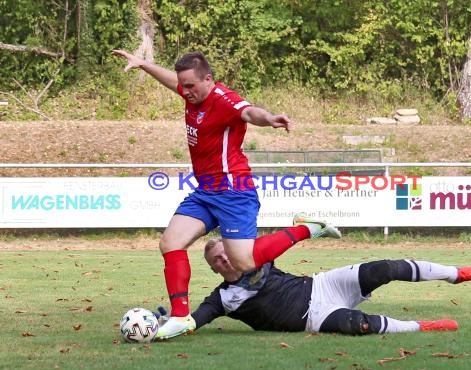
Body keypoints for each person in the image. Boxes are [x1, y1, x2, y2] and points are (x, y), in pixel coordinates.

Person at [112, 49, 341, 340]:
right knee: (170, 243)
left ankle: (307, 228)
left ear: (208, 79)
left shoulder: (224, 99)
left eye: (191, 86)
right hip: (206, 190)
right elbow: (174, 82)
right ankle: (181, 316)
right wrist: (144, 64)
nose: (185, 90)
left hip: (234, 191)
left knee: (244, 263)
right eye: (184, 86)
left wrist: (269, 118)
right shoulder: (190, 91)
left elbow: (248, 111)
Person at [186, 238, 471, 335]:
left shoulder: (256, 257)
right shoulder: (222, 299)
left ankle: (457, 273)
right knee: (359, 325)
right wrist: (159, 327)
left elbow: (282, 238)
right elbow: (192, 320)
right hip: (313, 318)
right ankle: (423, 327)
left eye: (225, 251)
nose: (224, 257)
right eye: (217, 258)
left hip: (324, 284)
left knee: (385, 268)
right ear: (213, 268)